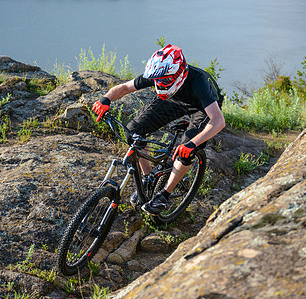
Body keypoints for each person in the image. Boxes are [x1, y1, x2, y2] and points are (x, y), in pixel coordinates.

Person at [93, 44, 225, 216]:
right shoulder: (159, 74)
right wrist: (106, 98)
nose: (159, 83)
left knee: (185, 149)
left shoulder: (199, 82)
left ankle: (164, 194)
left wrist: (193, 144)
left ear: (178, 73)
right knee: (134, 131)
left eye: (164, 81)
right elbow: (125, 87)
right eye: (158, 80)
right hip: (171, 99)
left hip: (200, 107)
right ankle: (149, 179)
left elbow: (218, 120)